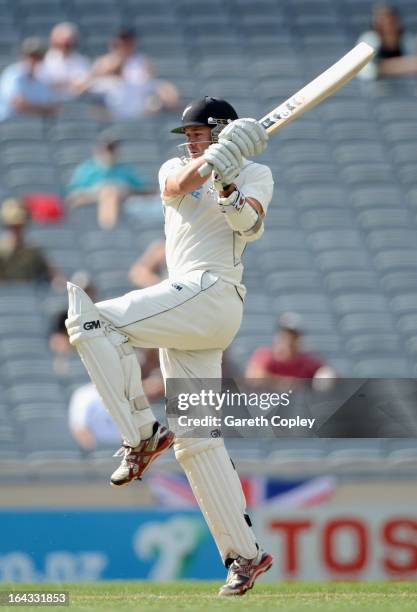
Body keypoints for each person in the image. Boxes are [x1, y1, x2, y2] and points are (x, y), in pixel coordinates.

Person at [66, 96, 274, 595]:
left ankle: (140, 434)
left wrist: (228, 181)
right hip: (189, 308)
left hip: (215, 293)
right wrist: (212, 162)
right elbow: (180, 184)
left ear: (222, 130)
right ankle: (245, 557)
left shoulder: (257, 173)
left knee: (93, 322)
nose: (190, 141)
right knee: (196, 441)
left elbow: (250, 224)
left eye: (200, 133)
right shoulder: (176, 167)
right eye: (188, 135)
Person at [90, 27, 179, 118]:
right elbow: (94, 81)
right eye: (122, 40)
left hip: (139, 111)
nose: (125, 44)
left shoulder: (142, 61)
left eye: (128, 41)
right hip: (112, 111)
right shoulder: (106, 61)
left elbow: (151, 82)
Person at [66, 135, 149, 229]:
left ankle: (108, 228)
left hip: (122, 198)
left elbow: (140, 190)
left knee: (110, 191)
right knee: (108, 191)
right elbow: (73, 193)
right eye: (106, 150)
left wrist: (121, 191)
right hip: (91, 199)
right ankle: (109, 228)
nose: (109, 153)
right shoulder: (87, 169)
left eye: (112, 150)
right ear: (98, 151)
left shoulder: (126, 169)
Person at [246, 312, 335, 388]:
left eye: (293, 336)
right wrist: (287, 383)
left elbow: (326, 373)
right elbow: (254, 378)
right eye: (285, 335)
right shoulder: (266, 355)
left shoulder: (307, 361)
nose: (289, 340)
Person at [0, 198, 61, 284]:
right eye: (12, 226)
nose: (16, 231)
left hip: (30, 293)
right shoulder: (2, 251)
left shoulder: (33, 251)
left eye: (19, 226)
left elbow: (54, 277)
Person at [0, 37, 60, 120]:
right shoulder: (13, 74)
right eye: (31, 56)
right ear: (22, 56)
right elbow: (17, 104)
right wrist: (43, 109)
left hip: (35, 128)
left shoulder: (43, 78)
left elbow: (53, 108)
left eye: (39, 57)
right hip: (9, 125)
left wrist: (31, 107)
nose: (35, 60)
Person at [358, 4, 417, 80]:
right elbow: (365, 71)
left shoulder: (406, 40)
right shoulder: (369, 40)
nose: (388, 27)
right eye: (384, 23)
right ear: (377, 25)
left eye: (391, 22)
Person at [39, 22, 91, 98]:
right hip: (49, 102)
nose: (65, 45)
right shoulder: (44, 60)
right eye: (63, 42)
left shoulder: (82, 61)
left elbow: (84, 84)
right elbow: (43, 84)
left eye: (68, 43)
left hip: (76, 102)